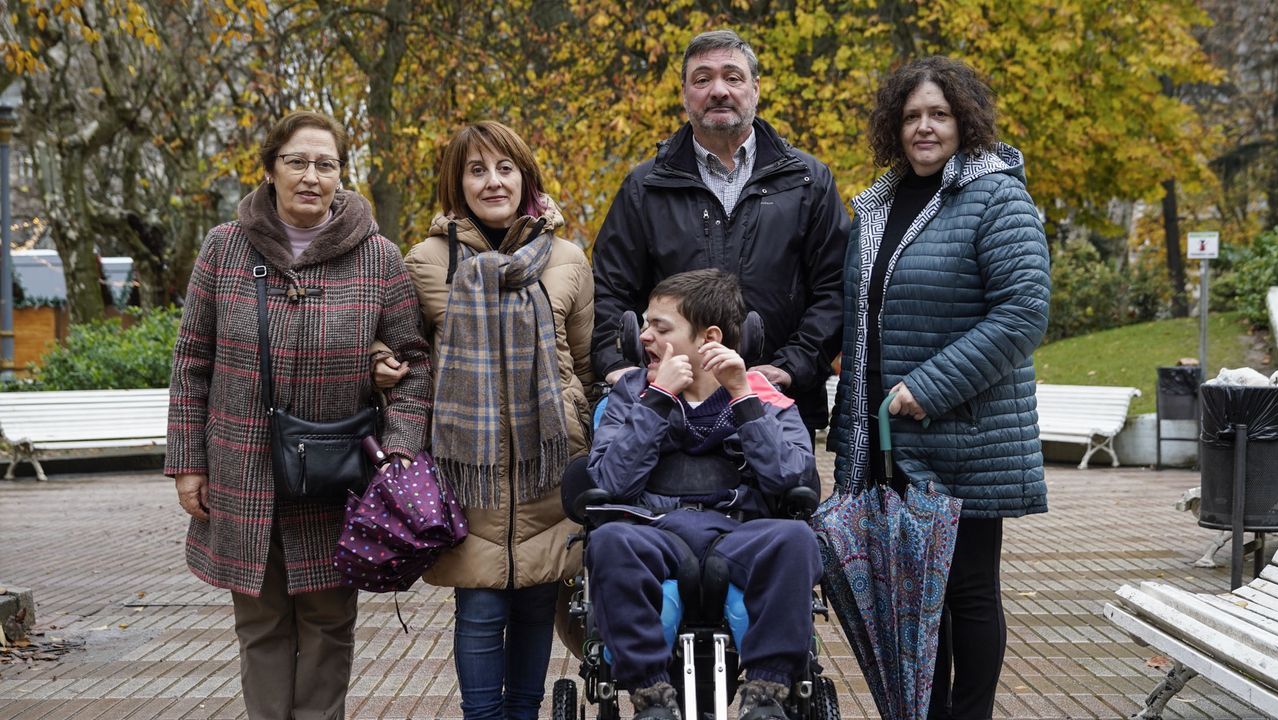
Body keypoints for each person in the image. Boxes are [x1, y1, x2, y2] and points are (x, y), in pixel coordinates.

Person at [166, 110, 433, 719]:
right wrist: (188, 464)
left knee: (328, 624)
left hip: (337, 474)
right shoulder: (223, 249)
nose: (312, 176)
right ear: (269, 169)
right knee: (259, 625)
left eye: (326, 163)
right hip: (242, 471)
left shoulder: (378, 257)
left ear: (341, 174)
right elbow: (191, 363)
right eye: (297, 161)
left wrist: (397, 449)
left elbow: (415, 364)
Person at [828, 57, 1051, 720]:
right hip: (890, 439)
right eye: (911, 116)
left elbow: (1024, 309)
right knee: (912, 593)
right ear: (893, 127)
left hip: (967, 434)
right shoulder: (880, 203)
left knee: (968, 591)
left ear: (964, 121)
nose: (924, 128)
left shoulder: (994, 194)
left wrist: (928, 387)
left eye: (939, 114)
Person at [373, 121, 594, 720]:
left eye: (504, 168)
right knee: (479, 608)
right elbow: (400, 345)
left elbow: (588, 360)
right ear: (457, 182)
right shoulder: (426, 260)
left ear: (525, 176)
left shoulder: (569, 259)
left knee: (536, 604)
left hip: (550, 458)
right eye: (477, 170)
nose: (492, 181)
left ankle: (523, 713)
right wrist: (379, 362)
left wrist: (589, 430)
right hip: (467, 464)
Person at [586, 269, 822, 720]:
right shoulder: (631, 393)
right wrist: (657, 400)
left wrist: (741, 395)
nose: (644, 337)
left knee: (797, 540)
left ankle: (767, 696)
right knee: (607, 541)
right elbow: (609, 482)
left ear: (709, 337)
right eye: (644, 324)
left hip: (738, 531)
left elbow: (795, 479)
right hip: (653, 529)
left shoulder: (761, 394)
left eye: (661, 327)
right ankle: (651, 697)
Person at [591, 29, 849, 436]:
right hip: (669, 406)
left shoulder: (807, 181)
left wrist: (789, 367)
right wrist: (617, 365)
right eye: (702, 79)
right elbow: (608, 290)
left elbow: (835, 289)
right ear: (684, 93)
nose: (719, 91)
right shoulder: (645, 187)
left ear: (756, 88)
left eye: (733, 77)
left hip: (775, 404)